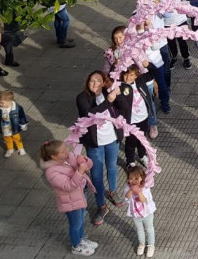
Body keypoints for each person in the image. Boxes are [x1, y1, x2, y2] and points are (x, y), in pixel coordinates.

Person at [75, 71, 124, 225]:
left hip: (112, 139)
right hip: (94, 142)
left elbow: (122, 106)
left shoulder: (107, 92)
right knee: (96, 175)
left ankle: (113, 191)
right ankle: (101, 206)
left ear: (104, 82)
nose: (95, 84)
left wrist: (118, 93)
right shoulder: (82, 98)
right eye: (92, 81)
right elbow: (90, 114)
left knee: (112, 167)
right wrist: (108, 101)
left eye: (98, 81)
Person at [40, 140, 99, 256]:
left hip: (80, 195)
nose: (67, 152)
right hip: (70, 201)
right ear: (54, 156)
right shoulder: (51, 172)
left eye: (66, 148)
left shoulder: (67, 158)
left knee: (81, 218)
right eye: (63, 151)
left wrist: (85, 160)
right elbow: (69, 186)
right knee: (75, 224)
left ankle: (81, 238)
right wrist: (80, 171)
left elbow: (89, 164)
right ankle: (76, 245)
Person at [115, 64, 155, 168]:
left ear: (136, 76)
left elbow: (154, 72)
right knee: (130, 142)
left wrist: (148, 65)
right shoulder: (120, 86)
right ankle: (130, 161)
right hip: (131, 120)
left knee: (142, 138)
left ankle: (142, 155)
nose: (128, 77)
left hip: (144, 117)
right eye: (126, 75)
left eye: (131, 75)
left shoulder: (140, 80)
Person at [125, 165, 157, 257]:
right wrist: (131, 190)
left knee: (149, 229)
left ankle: (151, 245)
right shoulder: (128, 187)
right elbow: (126, 197)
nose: (133, 181)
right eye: (131, 178)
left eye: (136, 178)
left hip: (147, 213)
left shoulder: (145, 188)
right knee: (139, 230)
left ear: (142, 178)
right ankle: (141, 243)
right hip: (135, 214)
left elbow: (144, 200)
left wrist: (139, 192)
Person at [0, 90, 28, 157]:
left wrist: (23, 124)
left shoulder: (17, 108)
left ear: (9, 101)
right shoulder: (0, 109)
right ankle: (10, 149)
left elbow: (22, 116)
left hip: (14, 127)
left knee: (17, 138)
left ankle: (20, 148)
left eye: (2, 103)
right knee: (7, 139)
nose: (0, 104)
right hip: (5, 127)